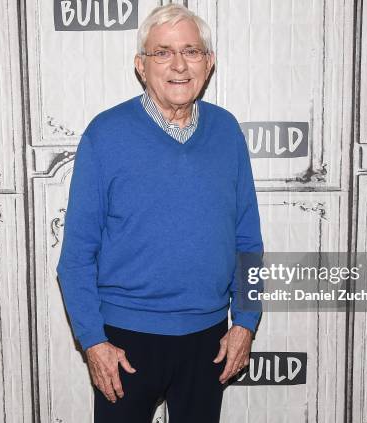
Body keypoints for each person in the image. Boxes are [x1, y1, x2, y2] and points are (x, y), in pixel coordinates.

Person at [56, 4, 263, 422]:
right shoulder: (105, 134)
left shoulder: (227, 132)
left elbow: (248, 243)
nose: (179, 65)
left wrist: (245, 321)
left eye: (192, 50)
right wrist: (93, 342)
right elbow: (76, 256)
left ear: (209, 62)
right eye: (163, 52)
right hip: (126, 344)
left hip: (209, 340)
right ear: (141, 65)